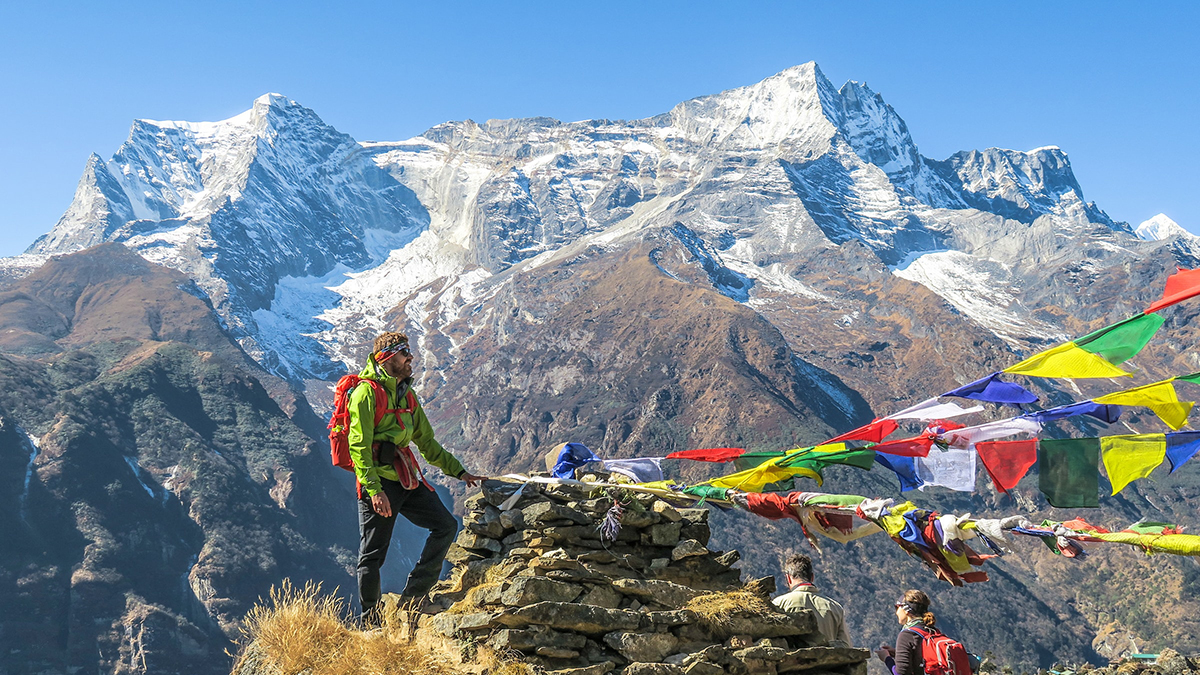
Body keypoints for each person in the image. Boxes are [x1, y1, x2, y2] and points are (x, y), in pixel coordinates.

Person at [348, 331, 485, 624]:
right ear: (386, 358)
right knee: (373, 555)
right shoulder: (366, 393)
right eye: (403, 354)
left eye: (409, 353)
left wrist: (459, 471)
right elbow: (358, 446)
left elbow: (427, 443)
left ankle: (413, 597)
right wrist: (374, 490)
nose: (410, 358)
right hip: (380, 483)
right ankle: (370, 620)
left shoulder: (407, 395)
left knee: (446, 525)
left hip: (405, 479)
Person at [772, 553, 852, 646]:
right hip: (828, 659)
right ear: (812, 577)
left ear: (788, 578)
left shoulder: (779, 604)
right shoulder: (835, 607)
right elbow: (846, 645)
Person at [875, 590, 936, 675]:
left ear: (906, 610)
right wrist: (899, 654)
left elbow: (900, 673)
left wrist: (886, 658)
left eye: (897, 607)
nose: (896, 612)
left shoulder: (907, 635)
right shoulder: (932, 630)